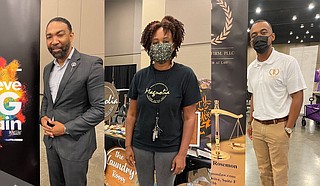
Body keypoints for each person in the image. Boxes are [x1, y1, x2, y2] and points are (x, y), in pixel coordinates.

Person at [125, 15, 201, 186]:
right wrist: (128, 146)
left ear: (174, 44)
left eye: (165, 41)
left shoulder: (185, 75)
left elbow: (190, 118)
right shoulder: (140, 77)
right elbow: (131, 114)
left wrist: (182, 154)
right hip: (140, 146)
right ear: (148, 46)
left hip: (170, 148)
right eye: (155, 42)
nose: (160, 46)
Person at [40, 17, 104, 186]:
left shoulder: (91, 65)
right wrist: (43, 117)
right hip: (51, 142)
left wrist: (67, 128)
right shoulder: (48, 69)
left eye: (59, 35)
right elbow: (47, 98)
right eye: (49, 36)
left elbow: (99, 109)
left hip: (76, 144)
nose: (54, 41)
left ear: (71, 36)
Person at [247, 20, 306, 186]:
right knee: (263, 170)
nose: (258, 37)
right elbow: (253, 96)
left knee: (279, 172)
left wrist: (288, 127)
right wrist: (251, 121)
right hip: (258, 127)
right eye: (254, 35)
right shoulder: (251, 68)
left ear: (272, 36)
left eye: (263, 33)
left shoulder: (287, 62)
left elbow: (297, 96)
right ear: (251, 41)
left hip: (278, 126)